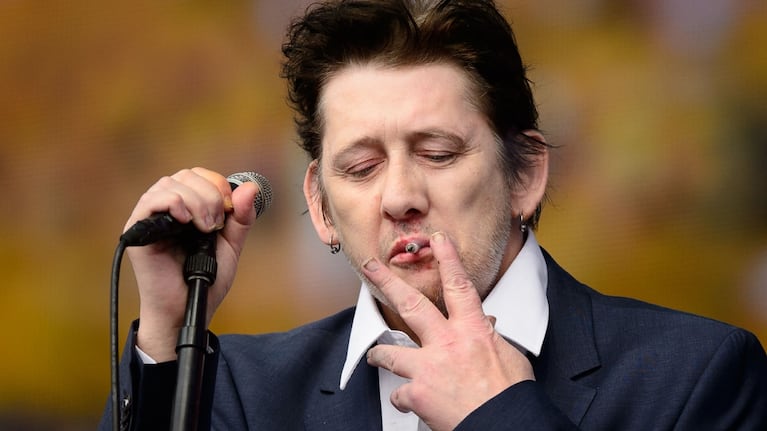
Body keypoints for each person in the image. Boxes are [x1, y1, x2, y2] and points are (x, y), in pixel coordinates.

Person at [100, 0, 767, 429]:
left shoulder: (697, 375)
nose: (398, 196)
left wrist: (502, 415)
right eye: (359, 168)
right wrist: (164, 331)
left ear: (525, 174)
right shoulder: (238, 393)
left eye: (439, 152)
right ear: (319, 207)